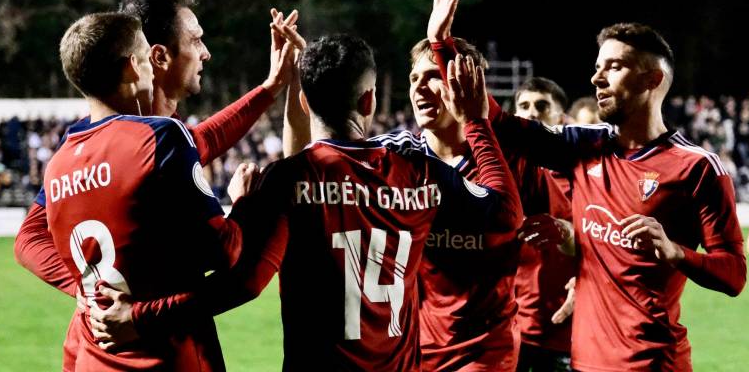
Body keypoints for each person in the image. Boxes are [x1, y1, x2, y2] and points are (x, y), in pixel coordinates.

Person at [92, 33, 522, 371]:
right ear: (370, 100)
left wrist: (142, 317)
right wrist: (477, 121)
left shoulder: (289, 180)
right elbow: (505, 214)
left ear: (303, 100)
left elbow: (242, 282)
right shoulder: (418, 173)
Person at [13, 0, 296, 370]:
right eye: (196, 40)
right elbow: (229, 260)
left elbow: (201, 141)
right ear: (150, 59)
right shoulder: (159, 139)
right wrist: (248, 202)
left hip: (92, 353)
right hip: (168, 355)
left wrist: (93, 289)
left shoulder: (68, 154)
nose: (206, 52)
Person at [502, 22, 747, 371]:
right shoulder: (586, 146)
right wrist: (444, 49)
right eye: (598, 67)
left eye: (614, 67)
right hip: (584, 362)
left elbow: (735, 274)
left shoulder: (697, 168)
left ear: (652, 79)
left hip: (652, 363)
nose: (597, 78)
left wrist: (675, 251)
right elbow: (507, 129)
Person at [512, 77, 577, 372]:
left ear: (561, 117)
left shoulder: (586, 181)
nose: (532, 112)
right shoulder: (500, 178)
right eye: (523, 106)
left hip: (565, 332)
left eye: (541, 105)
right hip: (512, 328)